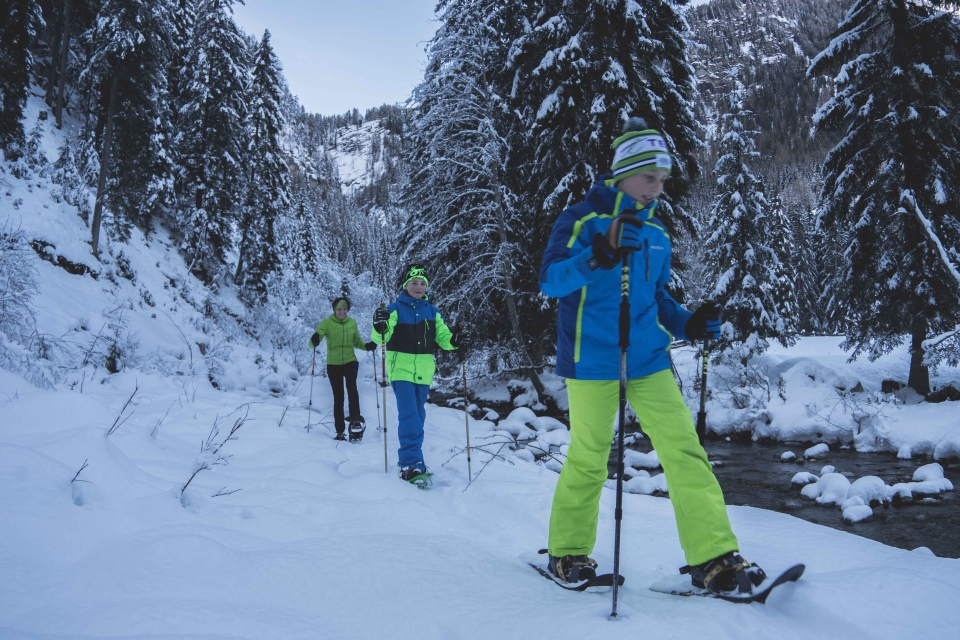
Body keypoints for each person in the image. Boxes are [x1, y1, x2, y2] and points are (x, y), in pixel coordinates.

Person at [537, 118, 766, 594]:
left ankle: (714, 558)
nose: (657, 189)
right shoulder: (581, 219)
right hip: (591, 359)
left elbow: (658, 299)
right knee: (590, 456)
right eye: (649, 178)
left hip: (647, 359)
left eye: (662, 180)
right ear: (623, 174)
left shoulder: (657, 233)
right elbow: (551, 281)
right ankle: (568, 552)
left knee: (684, 450)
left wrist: (688, 323)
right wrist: (598, 254)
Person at [371, 264, 468, 481]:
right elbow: (381, 337)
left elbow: (443, 338)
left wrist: (455, 340)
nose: (418, 286)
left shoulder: (433, 312)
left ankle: (410, 456)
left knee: (418, 416)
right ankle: (411, 463)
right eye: (414, 283)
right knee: (410, 416)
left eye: (422, 283)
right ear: (406, 285)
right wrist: (379, 325)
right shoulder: (395, 309)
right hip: (401, 371)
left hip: (423, 372)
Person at [309, 297, 377, 441]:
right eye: (339, 309)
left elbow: (357, 341)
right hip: (333, 364)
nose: (342, 311)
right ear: (334, 309)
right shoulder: (327, 323)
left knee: (352, 388)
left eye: (344, 308)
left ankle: (356, 423)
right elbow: (317, 338)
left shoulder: (352, 323)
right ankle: (340, 431)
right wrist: (314, 339)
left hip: (350, 361)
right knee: (338, 396)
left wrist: (366, 346)